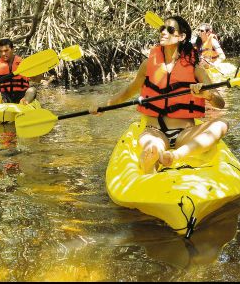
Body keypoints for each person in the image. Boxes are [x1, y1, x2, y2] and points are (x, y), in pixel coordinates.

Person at [90, 15, 227, 173]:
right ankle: (152, 161)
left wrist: (208, 95)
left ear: (182, 36)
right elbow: (128, 91)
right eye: (162, 29)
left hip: (185, 134)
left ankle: (174, 156)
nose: (163, 32)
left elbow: (220, 103)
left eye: (170, 30)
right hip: (154, 131)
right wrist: (104, 106)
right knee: (152, 145)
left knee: (222, 124)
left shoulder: (196, 69)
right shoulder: (148, 65)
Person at [0, 38, 38, 104]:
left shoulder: (23, 64)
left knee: (32, 90)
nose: (3, 53)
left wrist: (39, 71)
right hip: (3, 94)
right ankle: (0, 101)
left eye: (6, 50)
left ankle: (24, 101)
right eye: (0, 51)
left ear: (12, 49)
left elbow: (36, 80)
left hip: (21, 94)